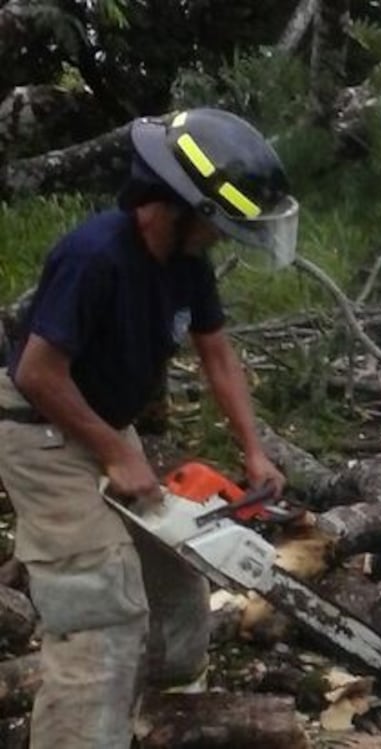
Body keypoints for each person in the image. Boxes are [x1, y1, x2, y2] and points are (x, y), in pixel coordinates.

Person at [0, 107, 299, 748]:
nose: (220, 238)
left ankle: (168, 706)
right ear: (174, 205)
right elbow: (37, 372)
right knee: (99, 604)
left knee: (174, 566)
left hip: (103, 418)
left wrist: (254, 450)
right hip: (40, 427)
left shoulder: (185, 261)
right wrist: (114, 452)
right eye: (216, 224)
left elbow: (216, 353)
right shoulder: (95, 256)